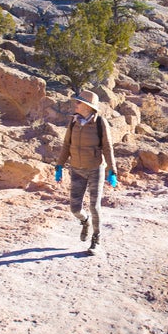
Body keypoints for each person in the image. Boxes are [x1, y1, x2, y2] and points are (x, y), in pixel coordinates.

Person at [54, 89, 117, 255]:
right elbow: (66, 145)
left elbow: (107, 147)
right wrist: (59, 165)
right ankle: (85, 221)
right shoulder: (73, 122)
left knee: (94, 206)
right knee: (75, 208)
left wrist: (112, 170)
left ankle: (96, 239)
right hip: (76, 169)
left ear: (88, 107)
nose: (76, 104)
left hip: (95, 169)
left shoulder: (99, 123)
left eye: (79, 102)